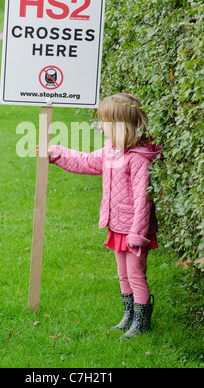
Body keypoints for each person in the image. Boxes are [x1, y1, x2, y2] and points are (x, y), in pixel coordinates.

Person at [47, 93, 162, 339]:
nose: (102, 126)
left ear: (122, 125)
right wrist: (56, 154)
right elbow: (86, 161)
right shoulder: (111, 151)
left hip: (134, 229)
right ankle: (129, 316)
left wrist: (137, 234)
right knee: (123, 274)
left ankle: (142, 323)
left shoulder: (139, 158)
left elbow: (144, 200)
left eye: (106, 122)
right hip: (117, 224)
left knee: (136, 274)